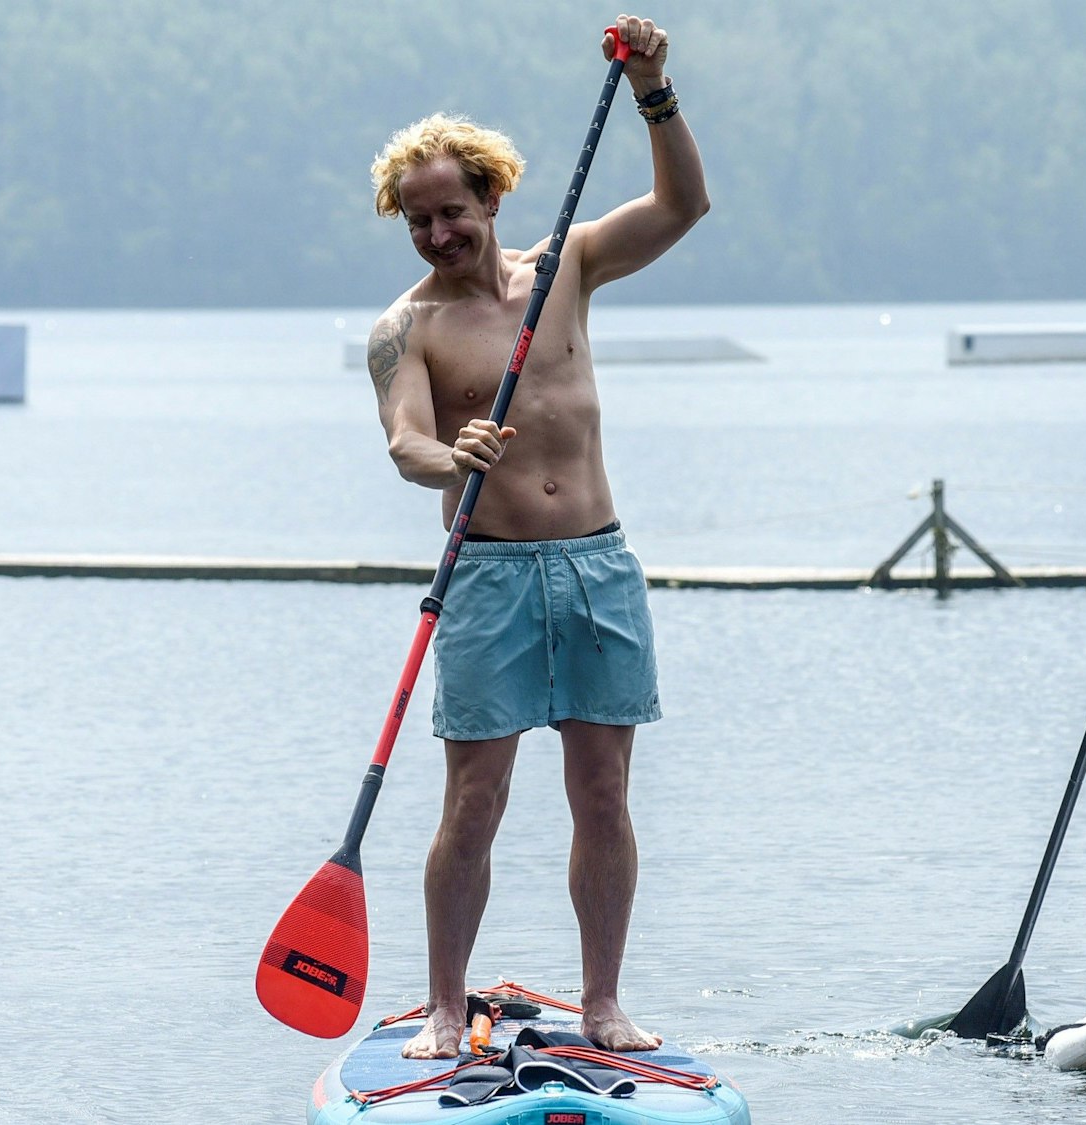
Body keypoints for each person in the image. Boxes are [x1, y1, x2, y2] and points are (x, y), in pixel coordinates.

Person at [362, 14, 707, 1059]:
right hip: (490, 575)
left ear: (490, 197)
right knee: (475, 799)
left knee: (602, 792)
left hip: (597, 564)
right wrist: (451, 454)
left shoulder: (567, 266)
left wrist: (653, 88)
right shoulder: (405, 329)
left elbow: (683, 205)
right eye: (417, 221)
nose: (436, 236)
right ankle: (440, 1005)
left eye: (450, 212)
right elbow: (404, 446)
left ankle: (601, 1005)